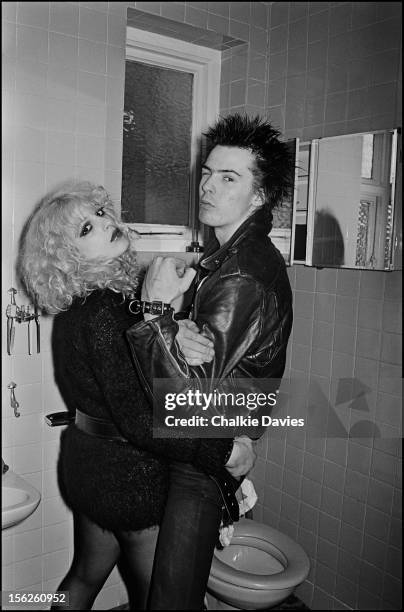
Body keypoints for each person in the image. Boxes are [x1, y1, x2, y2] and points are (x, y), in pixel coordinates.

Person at [17, 181, 256, 610]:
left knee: (86, 574)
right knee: (163, 599)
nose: (106, 223)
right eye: (86, 229)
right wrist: (222, 452)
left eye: (101, 213)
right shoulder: (105, 312)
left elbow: (127, 368)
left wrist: (170, 326)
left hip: (89, 464)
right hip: (129, 479)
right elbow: (142, 417)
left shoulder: (96, 305)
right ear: (68, 258)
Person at [126, 113, 295, 610]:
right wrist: (176, 326)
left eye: (229, 178)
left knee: (171, 601)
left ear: (258, 196)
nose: (208, 186)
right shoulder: (237, 259)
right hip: (216, 444)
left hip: (204, 457)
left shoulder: (240, 274)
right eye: (208, 172)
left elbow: (183, 402)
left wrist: (156, 311)